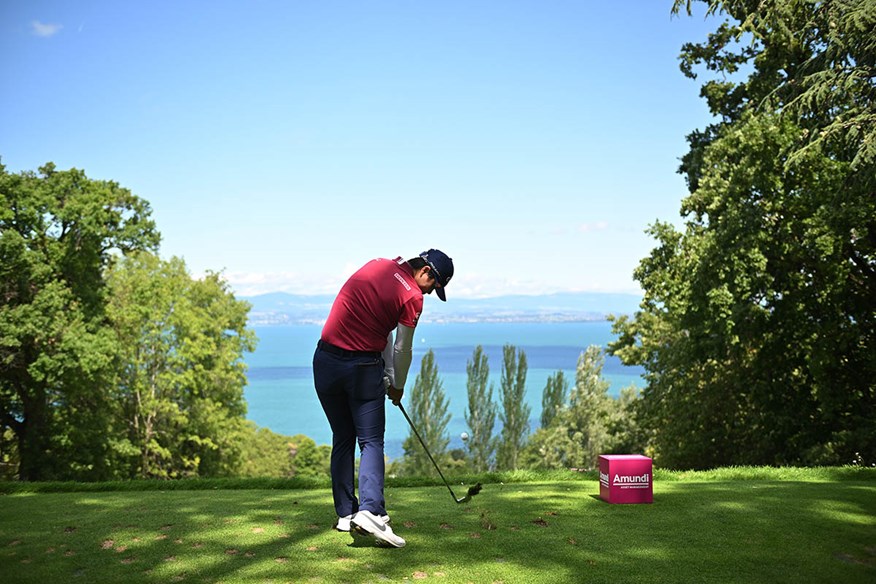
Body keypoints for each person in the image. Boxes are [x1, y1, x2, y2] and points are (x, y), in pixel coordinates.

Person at [312, 249, 454, 548]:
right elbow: (403, 347)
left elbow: (382, 327)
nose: (429, 293)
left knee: (343, 436)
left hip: (325, 361)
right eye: (434, 287)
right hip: (361, 369)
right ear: (426, 272)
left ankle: (345, 514)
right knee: (372, 441)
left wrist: (388, 374)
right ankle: (371, 511)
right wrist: (398, 385)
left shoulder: (378, 265)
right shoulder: (413, 297)